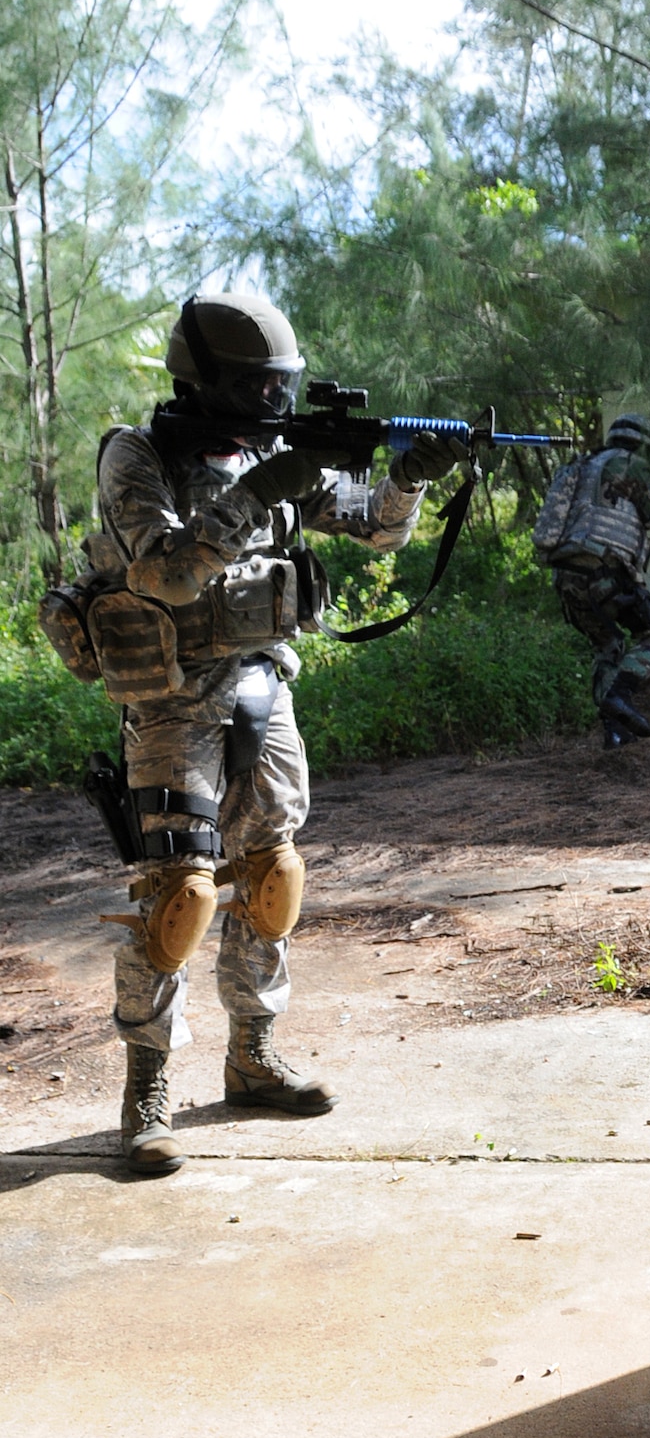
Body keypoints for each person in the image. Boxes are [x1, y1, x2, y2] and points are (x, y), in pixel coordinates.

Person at [85, 293, 467, 1177]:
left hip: (264, 684)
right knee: (178, 894)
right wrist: (261, 491)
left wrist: (411, 477)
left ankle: (252, 1058)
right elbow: (164, 571)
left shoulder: (277, 452)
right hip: (173, 696)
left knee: (271, 877)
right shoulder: (136, 454)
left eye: (277, 384)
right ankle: (147, 1087)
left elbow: (378, 531)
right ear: (208, 379)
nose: (271, 401)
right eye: (255, 385)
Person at [533, 412, 650, 750]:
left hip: (567, 575)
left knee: (608, 647)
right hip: (607, 570)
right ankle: (620, 696)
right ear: (645, 444)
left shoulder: (583, 465)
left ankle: (614, 732)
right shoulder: (632, 463)